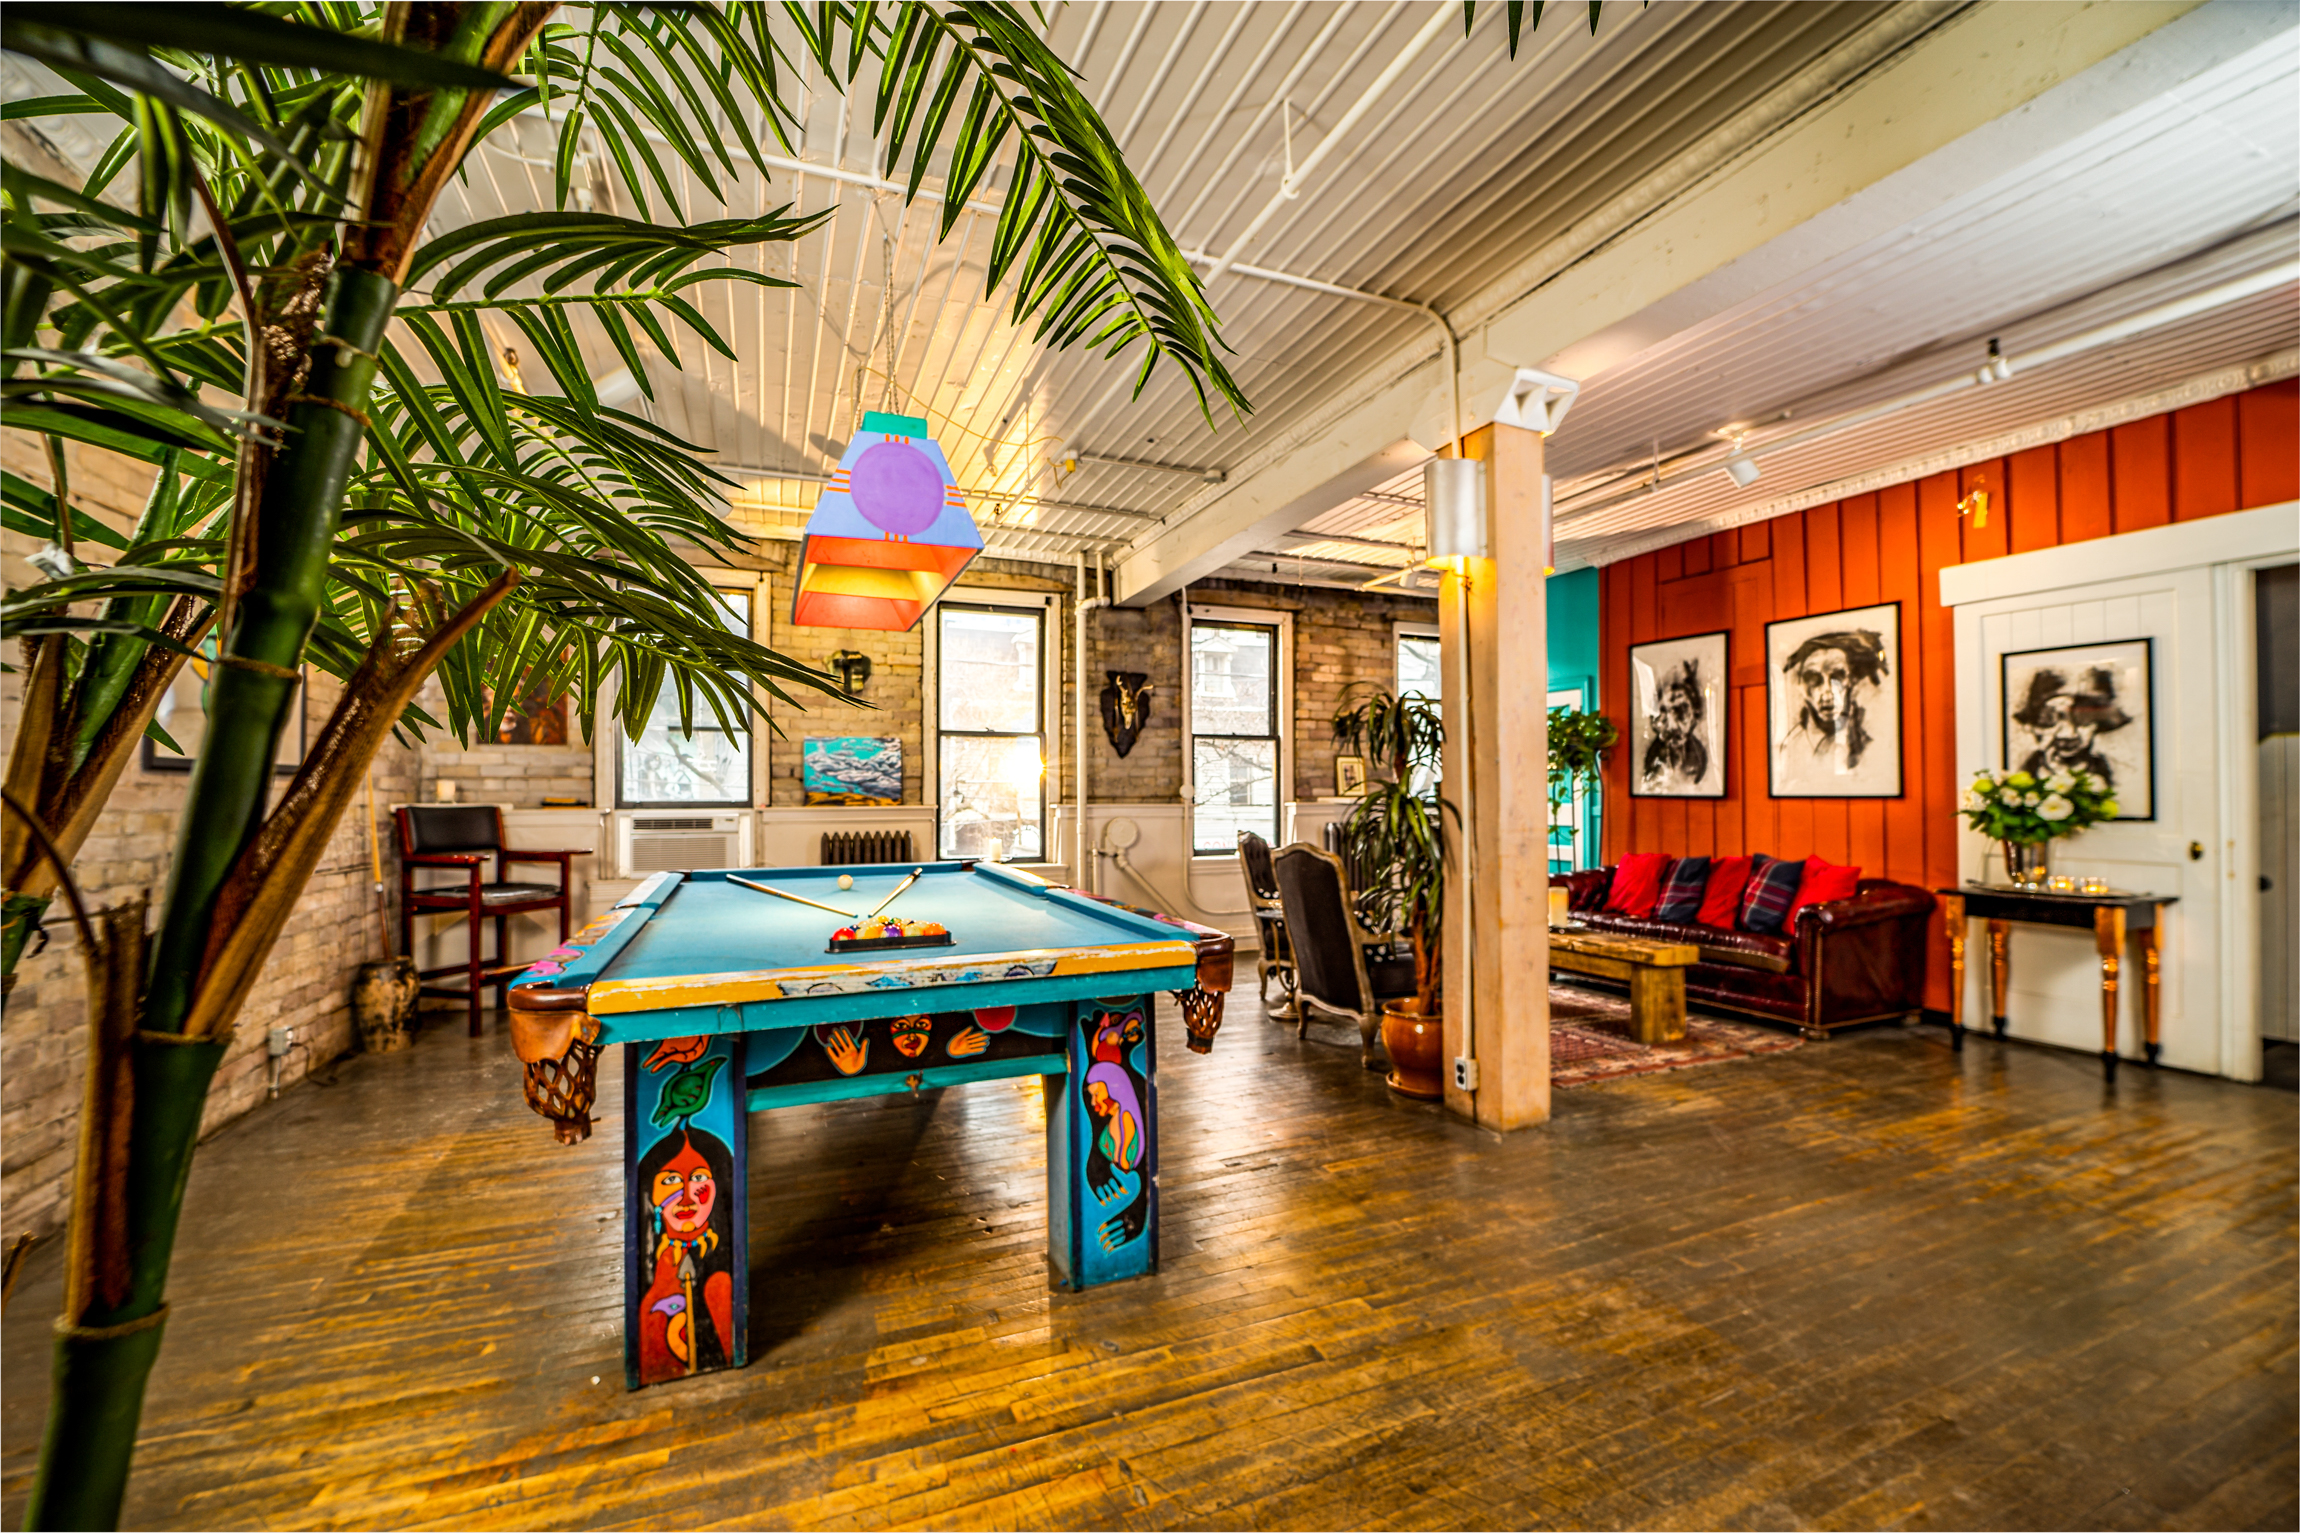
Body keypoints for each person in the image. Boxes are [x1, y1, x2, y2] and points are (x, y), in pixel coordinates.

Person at [1777, 629, 1889, 776]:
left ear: (1852, 682)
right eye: (1814, 679)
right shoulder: (1790, 747)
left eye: (1837, 678)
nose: (1827, 692)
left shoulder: (1870, 748)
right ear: (1801, 687)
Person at [2012, 666, 2128, 787]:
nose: (2067, 734)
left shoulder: (2111, 775)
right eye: (2049, 719)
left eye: (2082, 720)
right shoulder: (2022, 777)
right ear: (2033, 726)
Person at [1640, 659, 1710, 791]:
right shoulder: (1652, 762)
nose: (1672, 725)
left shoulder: (1698, 761)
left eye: (1681, 711)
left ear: (1695, 715)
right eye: (1663, 712)